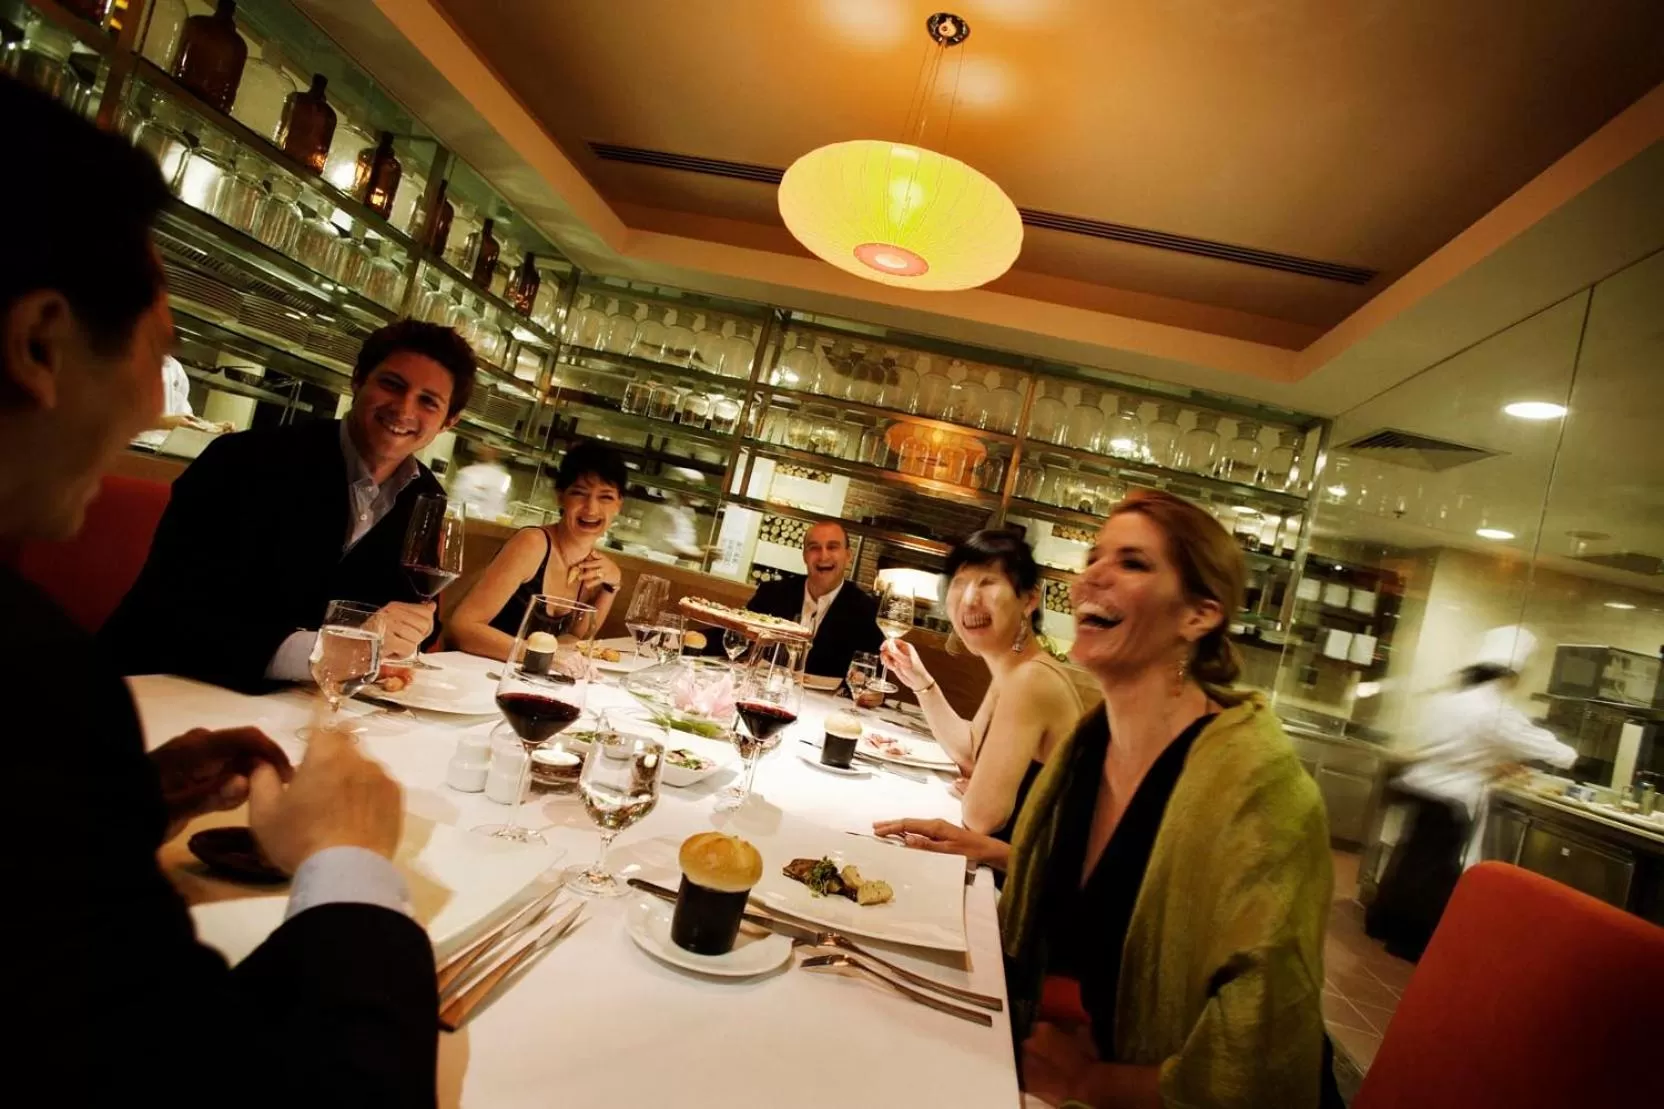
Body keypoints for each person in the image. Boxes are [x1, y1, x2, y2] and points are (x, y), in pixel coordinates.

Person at [0, 75, 435, 1104]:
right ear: (40, 345)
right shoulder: (34, 684)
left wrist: (120, 799)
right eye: (161, 349)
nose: (158, 403)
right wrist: (345, 863)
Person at [877, 491, 1337, 1108]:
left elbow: (1259, 1072)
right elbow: (1119, 892)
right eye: (1094, 556)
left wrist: (1090, 1083)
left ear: (1199, 614)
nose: (1092, 574)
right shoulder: (1092, 750)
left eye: (1133, 562)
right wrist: (1000, 854)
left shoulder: (1261, 790)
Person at [101, 318, 477, 692]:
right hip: (150, 687)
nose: (404, 408)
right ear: (358, 380)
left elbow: (411, 614)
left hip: (292, 707)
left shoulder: (428, 497)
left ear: (448, 422)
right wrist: (326, 652)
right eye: (392, 384)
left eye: (428, 401)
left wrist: (415, 630)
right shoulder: (244, 460)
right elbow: (175, 610)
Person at [1367, 625, 1577, 960]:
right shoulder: (1495, 709)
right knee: (1436, 872)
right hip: (1454, 797)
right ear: (1511, 675)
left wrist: (1491, 762)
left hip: (1423, 788)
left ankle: (1383, 924)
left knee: (1412, 860)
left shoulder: (1452, 699)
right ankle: (1410, 943)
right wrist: (1571, 755)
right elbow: (1558, 754)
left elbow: (1454, 747)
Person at [879, 529, 1085, 840]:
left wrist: (977, 789)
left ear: (1029, 600)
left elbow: (981, 817)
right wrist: (922, 682)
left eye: (987, 583)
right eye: (959, 583)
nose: (969, 598)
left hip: (1019, 882)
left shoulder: (1031, 679)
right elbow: (970, 750)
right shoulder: (1015, 669)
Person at [449, 439, 625, 657]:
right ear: (561, 497)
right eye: (579, 493)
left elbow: (576, 639)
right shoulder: (532, 544)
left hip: (520, 679)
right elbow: (463, 628)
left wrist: (612, 585)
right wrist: (541, 658)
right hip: (472, 672)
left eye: (606, 497)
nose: (591, 508)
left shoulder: (593, 566)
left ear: (619, 505)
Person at [745, 520, 882, 678]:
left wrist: (870, 691)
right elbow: (733, 639)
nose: (823, 555)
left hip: (827, 701)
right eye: (814, 548)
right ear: (804, 556)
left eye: (832, 547)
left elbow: (873, 678)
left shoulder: (866, 611)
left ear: (848, 556)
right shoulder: (772, 593)